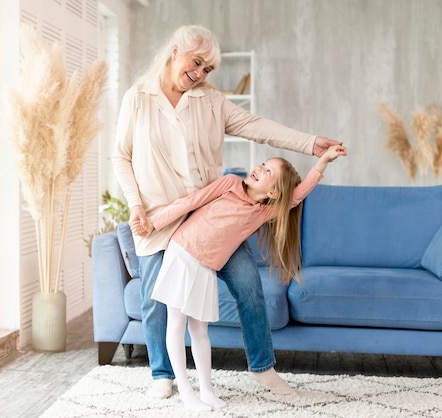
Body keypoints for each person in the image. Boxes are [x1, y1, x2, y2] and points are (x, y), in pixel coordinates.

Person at [111, 24, 343, 399]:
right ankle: (161, 373)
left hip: (210, 219)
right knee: (155, 299)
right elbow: (120, 156)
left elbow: (257, 127)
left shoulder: (211, 101)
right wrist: (137, 207)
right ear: (175, 52)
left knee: (250, 287)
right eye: (196, 63)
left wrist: (311, 144)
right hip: (159, 215)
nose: (200, 74)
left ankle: (263, 367)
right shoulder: (137, 98)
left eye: (208, 69)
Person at [145, 145, 347, 411]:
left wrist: (321, 164)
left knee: (200, 330)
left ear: (273, 192)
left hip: (206, 266)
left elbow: (296, 197)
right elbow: (191, 202)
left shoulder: (263, 212)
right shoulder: (229, 184)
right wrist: (154, 223)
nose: (258, 169)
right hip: (182, 254)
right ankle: (185, 389)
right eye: (262, 164)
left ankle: (206, 389)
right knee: (176, 324)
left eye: (267, 171)